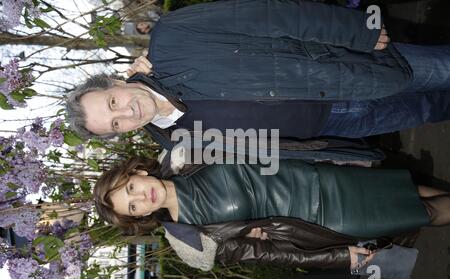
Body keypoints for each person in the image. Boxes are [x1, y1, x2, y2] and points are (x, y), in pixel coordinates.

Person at [66, 0, 450, 155]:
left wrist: (356, 31)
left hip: (345, 67)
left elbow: (270, 15)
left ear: (115, 83)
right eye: (116, 124)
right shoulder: (177, 146)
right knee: (429, 111)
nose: (127, 113)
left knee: (442, 69)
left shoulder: (173, 38)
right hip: (336, 122)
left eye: (113, 103)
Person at [93, 157, 450, 275]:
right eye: (134, 207)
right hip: (325, 217)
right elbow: (271, 255)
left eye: (130, 190)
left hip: (325, 176)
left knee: (406, 188)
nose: (141, 197)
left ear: (135, 173)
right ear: (142, 217)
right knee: (422, 212)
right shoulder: (190, 237)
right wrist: (340, 256)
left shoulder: (183, 154)